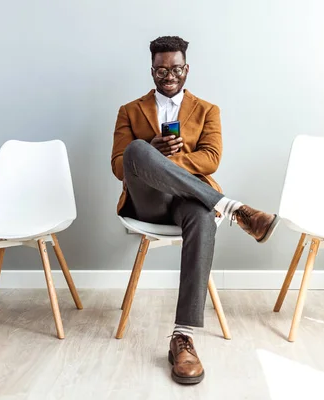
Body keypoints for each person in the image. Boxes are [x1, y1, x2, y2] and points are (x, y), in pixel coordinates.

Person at [111, 36, 279, 385]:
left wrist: (171, 161)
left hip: (190, 201)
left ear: (186, 69)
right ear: (152, 71)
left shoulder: (207, 110)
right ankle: (235, 209)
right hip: (148, 203)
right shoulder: (129, 110)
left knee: (203, 215)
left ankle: (182, 338)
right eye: (160, 70)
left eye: (174, 69)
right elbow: (118, 164)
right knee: (138, 151)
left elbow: (211, 158)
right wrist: (152, 155)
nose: (168, 76)